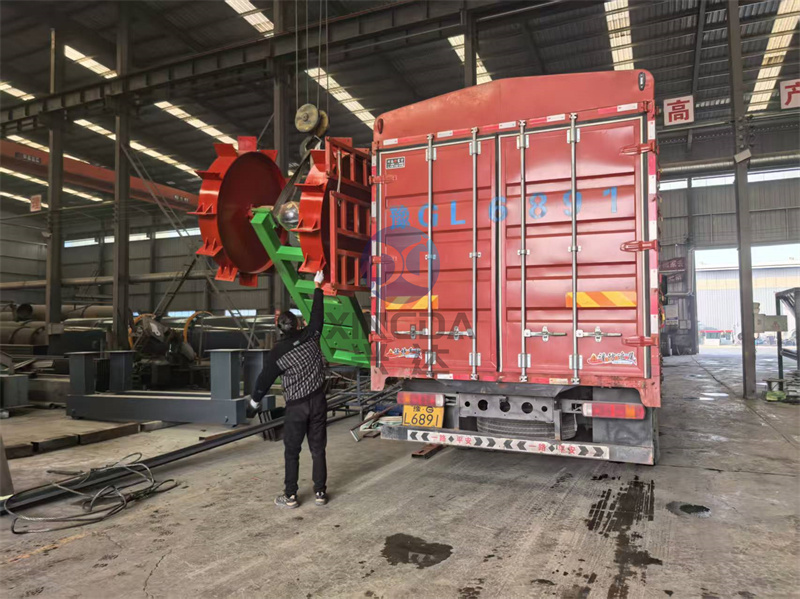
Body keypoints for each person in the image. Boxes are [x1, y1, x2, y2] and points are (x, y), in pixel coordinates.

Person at [250, 270, 328, 508]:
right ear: (297, 324)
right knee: (318, 449)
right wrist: (317, 286)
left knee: (292, 451)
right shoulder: (312, 335)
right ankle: (320, 493)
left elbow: (264, 380)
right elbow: (318, 314)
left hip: (296, 408)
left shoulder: (277, 353)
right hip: (318, 401)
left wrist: (254, 402)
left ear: (279, 329)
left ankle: (291, 495)